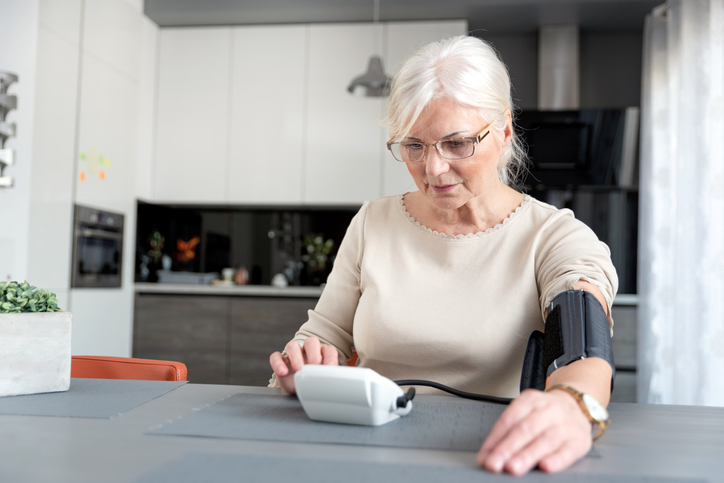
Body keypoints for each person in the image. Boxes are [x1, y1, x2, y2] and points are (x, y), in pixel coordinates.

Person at [269, 35, 617, 476]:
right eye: (413, 145)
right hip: (363, 454)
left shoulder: (553, 236)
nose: (432, 168)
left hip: (491, 457)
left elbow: (583, 344)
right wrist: (303, 362)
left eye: (457, 143)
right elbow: (323, 336)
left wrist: (573, 405)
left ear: (504, 131)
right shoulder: (372, 222)